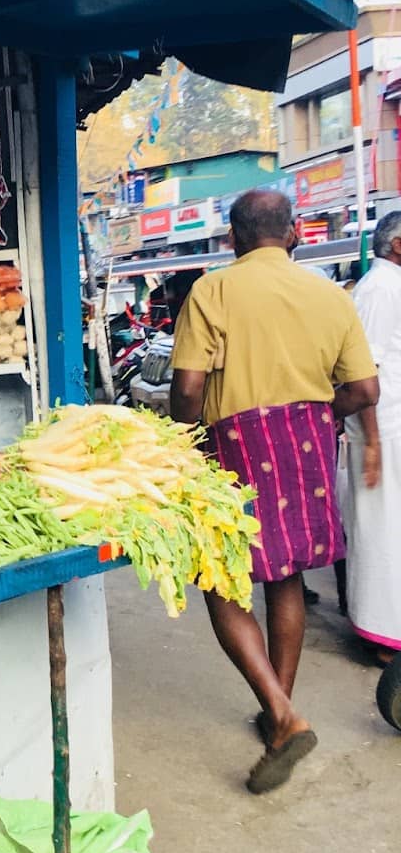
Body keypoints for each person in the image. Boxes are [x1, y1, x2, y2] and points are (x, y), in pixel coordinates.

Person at [169, 190, 380, 794]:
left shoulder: (212, 290)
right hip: (307, 441)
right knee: (286, 577)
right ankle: (278, 706)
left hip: (234, 447)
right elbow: (364, 390)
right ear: (293, 235)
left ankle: (284, 717)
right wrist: (323, 414)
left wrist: (186, 445)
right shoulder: (331, 295)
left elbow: (186, 390)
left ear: (233, 238)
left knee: (219, 579)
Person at [338, 211, 401, 659]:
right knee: (378, 531)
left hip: (392, 428)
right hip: (383, 429)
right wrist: (374, 441)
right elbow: (366, 371)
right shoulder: (379, 289)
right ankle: (378, 635)